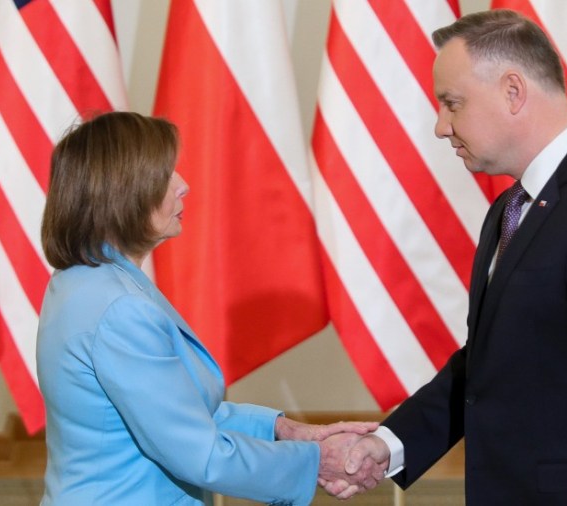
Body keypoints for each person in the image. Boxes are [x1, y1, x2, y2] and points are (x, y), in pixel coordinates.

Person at [339, 9, 567, 505]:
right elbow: (491, 366)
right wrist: (388, 444)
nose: (441, 127)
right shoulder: (511, 206)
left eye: (452, 103)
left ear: (512, 91)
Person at [36, 111, 382, 505]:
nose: (182, 186)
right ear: (123, 191)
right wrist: (316, 461)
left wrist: (282, 430)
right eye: (165, 174)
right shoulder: (119, 307)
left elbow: (173, 413)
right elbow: (200, 455)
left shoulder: (82, 282)